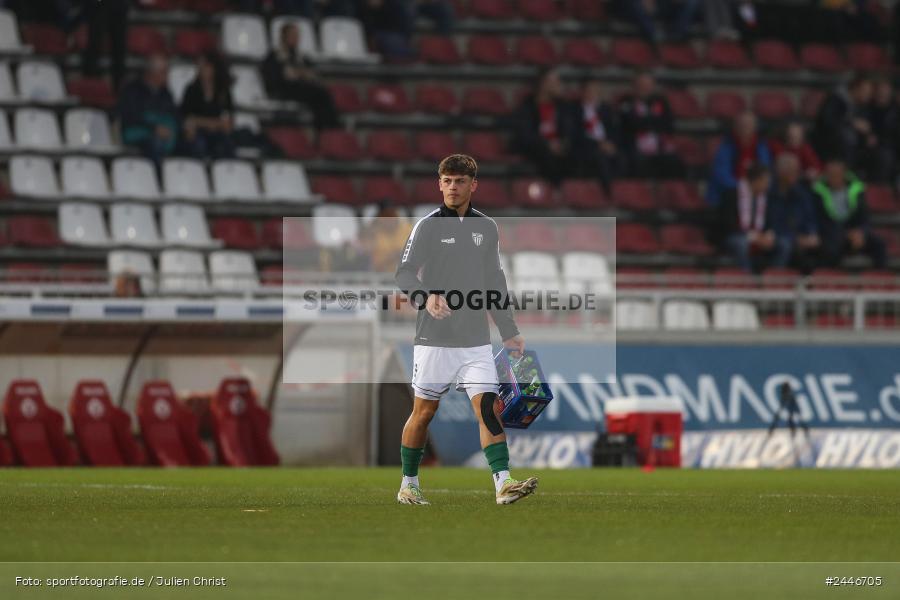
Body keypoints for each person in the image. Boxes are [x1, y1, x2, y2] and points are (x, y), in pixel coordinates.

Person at [394, 154, 535, 506]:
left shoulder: (486, 228)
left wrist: (509, 330)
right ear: (439, 184)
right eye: (447, 181)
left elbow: (494, 281)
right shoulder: (427, 226)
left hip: (474, 339)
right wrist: (425, 298)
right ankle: (408, 484)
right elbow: (404, 274)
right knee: (423, 412)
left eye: (459, 181)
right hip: (434, 338)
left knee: (489, 408)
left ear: (474, 185)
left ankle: (503, 484)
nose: (452, 187)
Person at [510, 68, 581, 185]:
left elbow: (569, 131)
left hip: (558, 148)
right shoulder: (527, 107)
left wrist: (562, 143)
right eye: (556, 82)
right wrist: (547, 144)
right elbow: (525, 135)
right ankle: (556, 192)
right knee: (548, 156)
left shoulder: (562, 107)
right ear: (544, 84)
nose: (560, 85)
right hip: (537, 148)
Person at [263, 22, 340, 130]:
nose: (296, 38)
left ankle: (328, 130)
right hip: (285, 90)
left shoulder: (301, 57)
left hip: (304, 89)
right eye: (292, 35)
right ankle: (330, 129)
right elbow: (273, 78)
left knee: (322, 95)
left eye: (297, 35)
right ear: (284, 36)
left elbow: (313, 73)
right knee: (320, 94)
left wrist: (305, 74)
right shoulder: (275, 55)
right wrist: (292, 74)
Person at [811, 158, 886, 268]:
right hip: (831, 234)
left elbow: (865, 218)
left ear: (843, 174)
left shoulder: (857, 190)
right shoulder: (817, 193)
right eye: (830, 174)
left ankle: (880, 280)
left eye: (836, 174)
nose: (832, 178)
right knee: (831, 248)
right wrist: (845, 233)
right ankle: (830, 281)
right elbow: (819, 220)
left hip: (856, 233)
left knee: (879, 244)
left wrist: (861, 232)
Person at [717, 162, 791, 272]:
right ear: (755, 181)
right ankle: (747, 279)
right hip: (736, 235)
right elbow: (727, 224)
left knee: (784, 244)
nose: (767, 186)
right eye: (765, 182)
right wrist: (752, 237)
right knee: (740, 244)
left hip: (759, 235)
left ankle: (774, 277)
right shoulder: (732, 194)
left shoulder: (766, 198)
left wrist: (769, 234)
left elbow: (770, 221)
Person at [616, 71, 682, 178]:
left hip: (660, 146)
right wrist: (653, 121)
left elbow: (669, 124)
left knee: (675, 161)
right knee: (636, 162)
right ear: (635, 86)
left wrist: (644, 122)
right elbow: (632, 124)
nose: (644, 88)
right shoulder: (626, 102)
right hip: (635, 147)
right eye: (641, 85)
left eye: (647, 85)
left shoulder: (660, 102)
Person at [117, 54, 179, 164]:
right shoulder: (132, 90)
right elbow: (131, 116)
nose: (167, 76)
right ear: (152, 73)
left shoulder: (165, 93)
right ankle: (158, 177)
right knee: (156, 144)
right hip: (138, 134)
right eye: (164, 72)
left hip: (164, 135)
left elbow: (174, 114)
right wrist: (154, 128)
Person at [812, 74, 876, 176]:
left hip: (853, 145)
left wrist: (868, 135)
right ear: (855, 89)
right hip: (829, 144)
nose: (868, 95)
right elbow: (828, 122)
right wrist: (852, 123)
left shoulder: (862, 105)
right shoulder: (836, 99)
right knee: (847, 137)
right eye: (865, 91)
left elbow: (864, 126)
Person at [767, 154, 820, 272]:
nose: (797, 174)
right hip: (777, 237)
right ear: (781, 172)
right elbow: (771, 223)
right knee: (785, 245)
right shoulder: (769, 194)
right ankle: (775, 280)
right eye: (793, 171)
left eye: (797, 171)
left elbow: (809, 218)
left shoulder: (801, 194)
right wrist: (795, 238)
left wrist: (811, 233)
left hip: (799, 239)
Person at [706, 111, 771, 206]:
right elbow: (721, 174)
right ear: (735, 127)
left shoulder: (761, 146)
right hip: (730, 193)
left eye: (749, 124)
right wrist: (744, 188)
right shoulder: (726, 145)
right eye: (742, 124)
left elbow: (765, 170)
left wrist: (756, 186)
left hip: (756, 190)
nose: (745, 127)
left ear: (755, 127)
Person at [180, 51, 235, 159]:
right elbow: (187, 119)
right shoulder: (191, 90)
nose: (201, 69)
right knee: (198, 144)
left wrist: (202, 122)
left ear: (213, 68)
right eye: (199, 66)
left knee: (226, 145)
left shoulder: (223, 92)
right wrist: (213, 123)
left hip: (218, 134)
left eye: (205, 66)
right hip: (198, 134)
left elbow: (228, 124)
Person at [575, 80, 621, 193]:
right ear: (582, 92)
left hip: (606, 145)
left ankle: (623, 190)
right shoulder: (575, 110)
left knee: (622, 157)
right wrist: (598, 144)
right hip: (587, 147)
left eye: (595, 91)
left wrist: (611, 144)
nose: (592, 94)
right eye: (589, 91)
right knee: (600, 158)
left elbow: (614, 130)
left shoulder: (605, 110)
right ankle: (608, 191)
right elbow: (576, 134)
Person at [82, 0, 129, 91]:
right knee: (94, 44)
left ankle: (118, 88)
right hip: (99, 5)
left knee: (119, 49)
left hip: (118, 5)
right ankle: (89, 86)